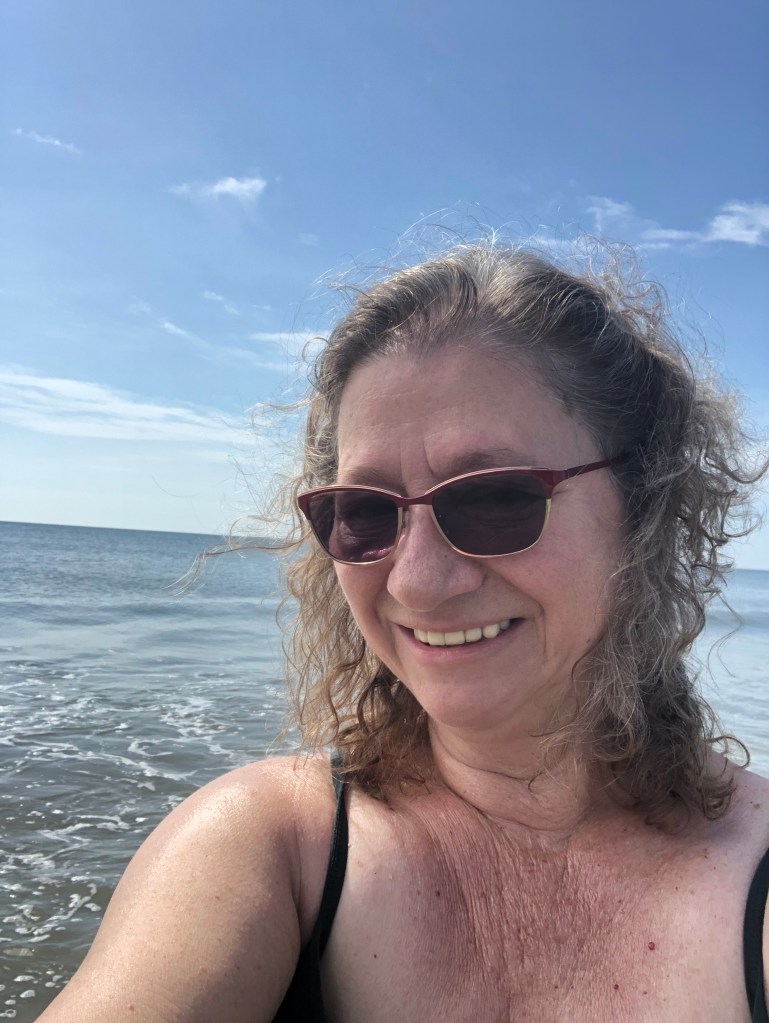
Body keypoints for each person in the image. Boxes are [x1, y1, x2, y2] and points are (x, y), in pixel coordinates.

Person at [39, 242, 769, 1022]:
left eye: (493, 498)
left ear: (644, 507)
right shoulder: (268, 848)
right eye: (362, 511)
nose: (415, 580)